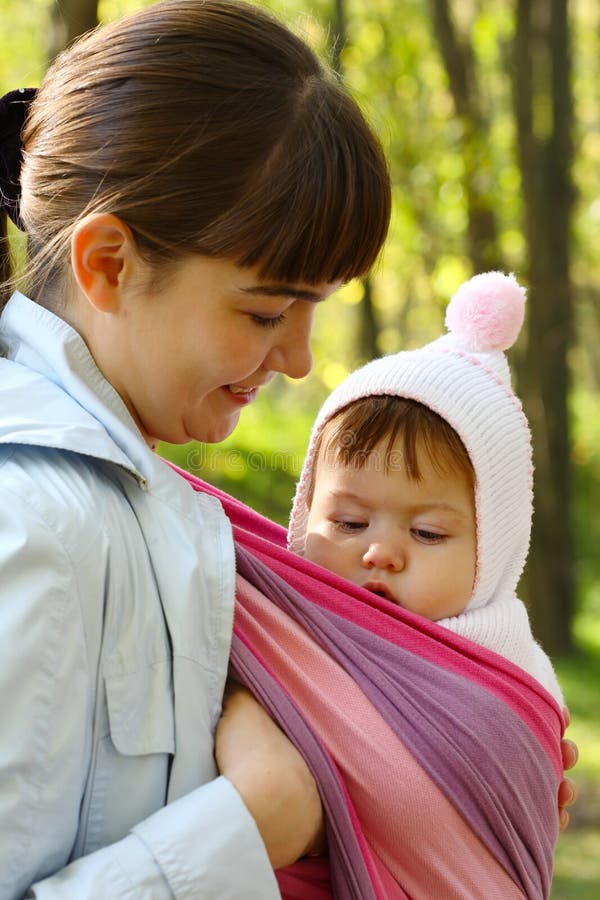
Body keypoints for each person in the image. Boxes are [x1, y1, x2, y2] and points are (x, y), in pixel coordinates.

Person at [0, 1, 392, 896]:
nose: (296, 360)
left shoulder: (134, 500)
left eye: (312, 310)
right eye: (265, 311)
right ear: (108, 264)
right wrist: (245, 832)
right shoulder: (32, 522)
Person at [288, 272, 564, 703]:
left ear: (492, 551)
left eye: (427, 532)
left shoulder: (512, 677)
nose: (379, 554)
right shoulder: (280, 624)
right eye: (350, 522)